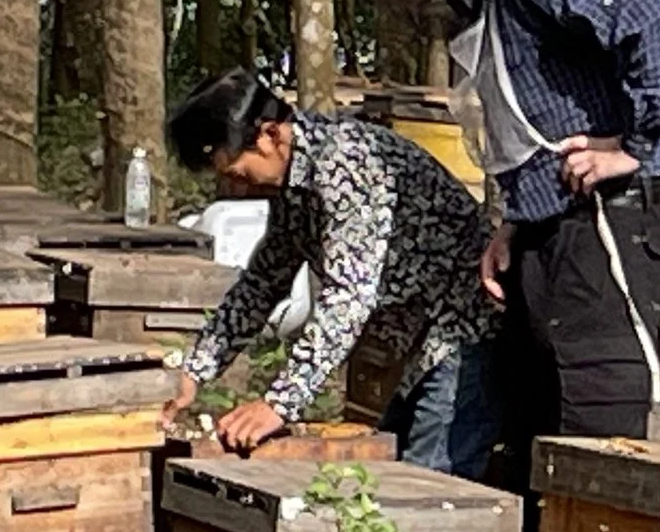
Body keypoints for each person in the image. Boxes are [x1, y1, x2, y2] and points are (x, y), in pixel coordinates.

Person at [332, 0, 660, 454]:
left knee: (595, 434)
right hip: (550, 228)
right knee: (532, 430)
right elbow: (523, 123)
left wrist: (632, 144)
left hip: (609, 221)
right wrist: (513, 222)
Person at [164, 69, 500, 479]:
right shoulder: (293, 181)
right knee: (388, 481)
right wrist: (194, 371)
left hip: (462, 332)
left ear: (270, 135)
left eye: (237, 173)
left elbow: (347, 297)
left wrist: (278, 403)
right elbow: (263, 282)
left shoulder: (345, 164)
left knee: (427, 489)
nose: (237, 189)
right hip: (411, 341)